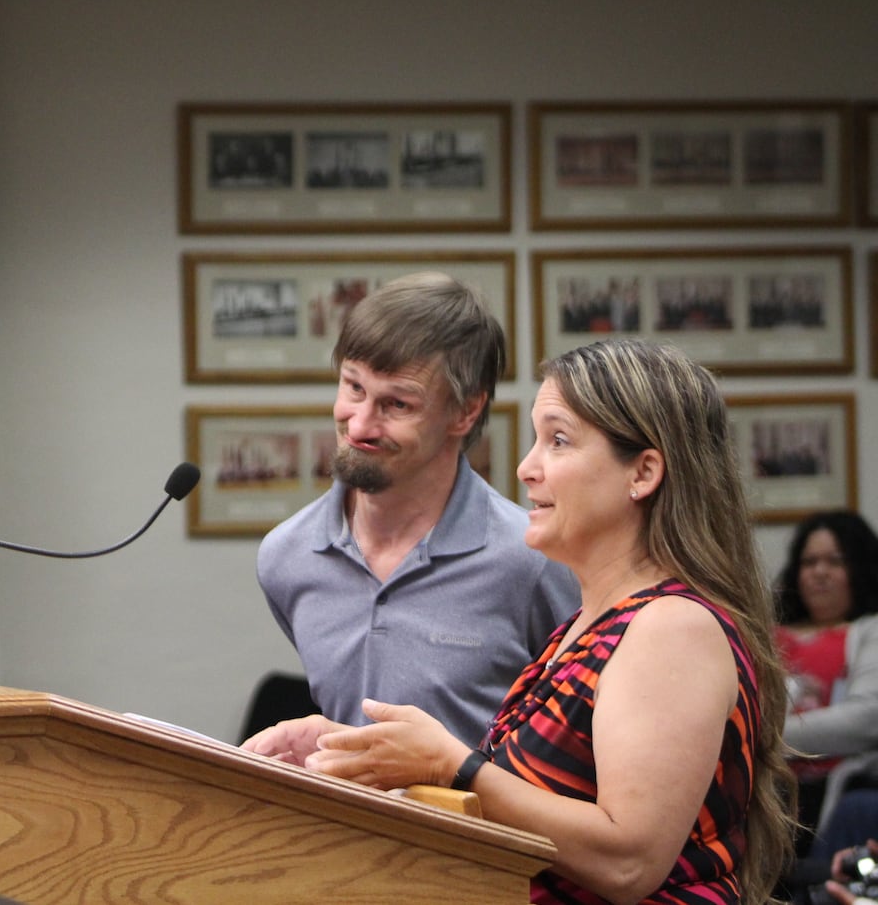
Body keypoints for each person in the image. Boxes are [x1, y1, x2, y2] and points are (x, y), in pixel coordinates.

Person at [248, 339, 797, 903]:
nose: (526, 468)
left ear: (644, 472)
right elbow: (519, 813)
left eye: (558, 441)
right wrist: (357, 750)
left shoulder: (672, 628)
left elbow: (629, 862)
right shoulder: (583, 626)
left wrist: (450, 765)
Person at [249, 272, 577, 746]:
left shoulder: (535, 559)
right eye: (353, 387)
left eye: (397, 404)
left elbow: (580, 751)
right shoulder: (286, 555)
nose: (360, 424)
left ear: (465, 412)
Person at [774, 511, 878, 848]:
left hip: (833, 791)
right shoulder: (766, 632)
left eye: (835, 561)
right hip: (760, 789)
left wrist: (764, 738)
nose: (819, 572)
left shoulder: (869, 630)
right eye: (809, 562)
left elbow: (866, 721)